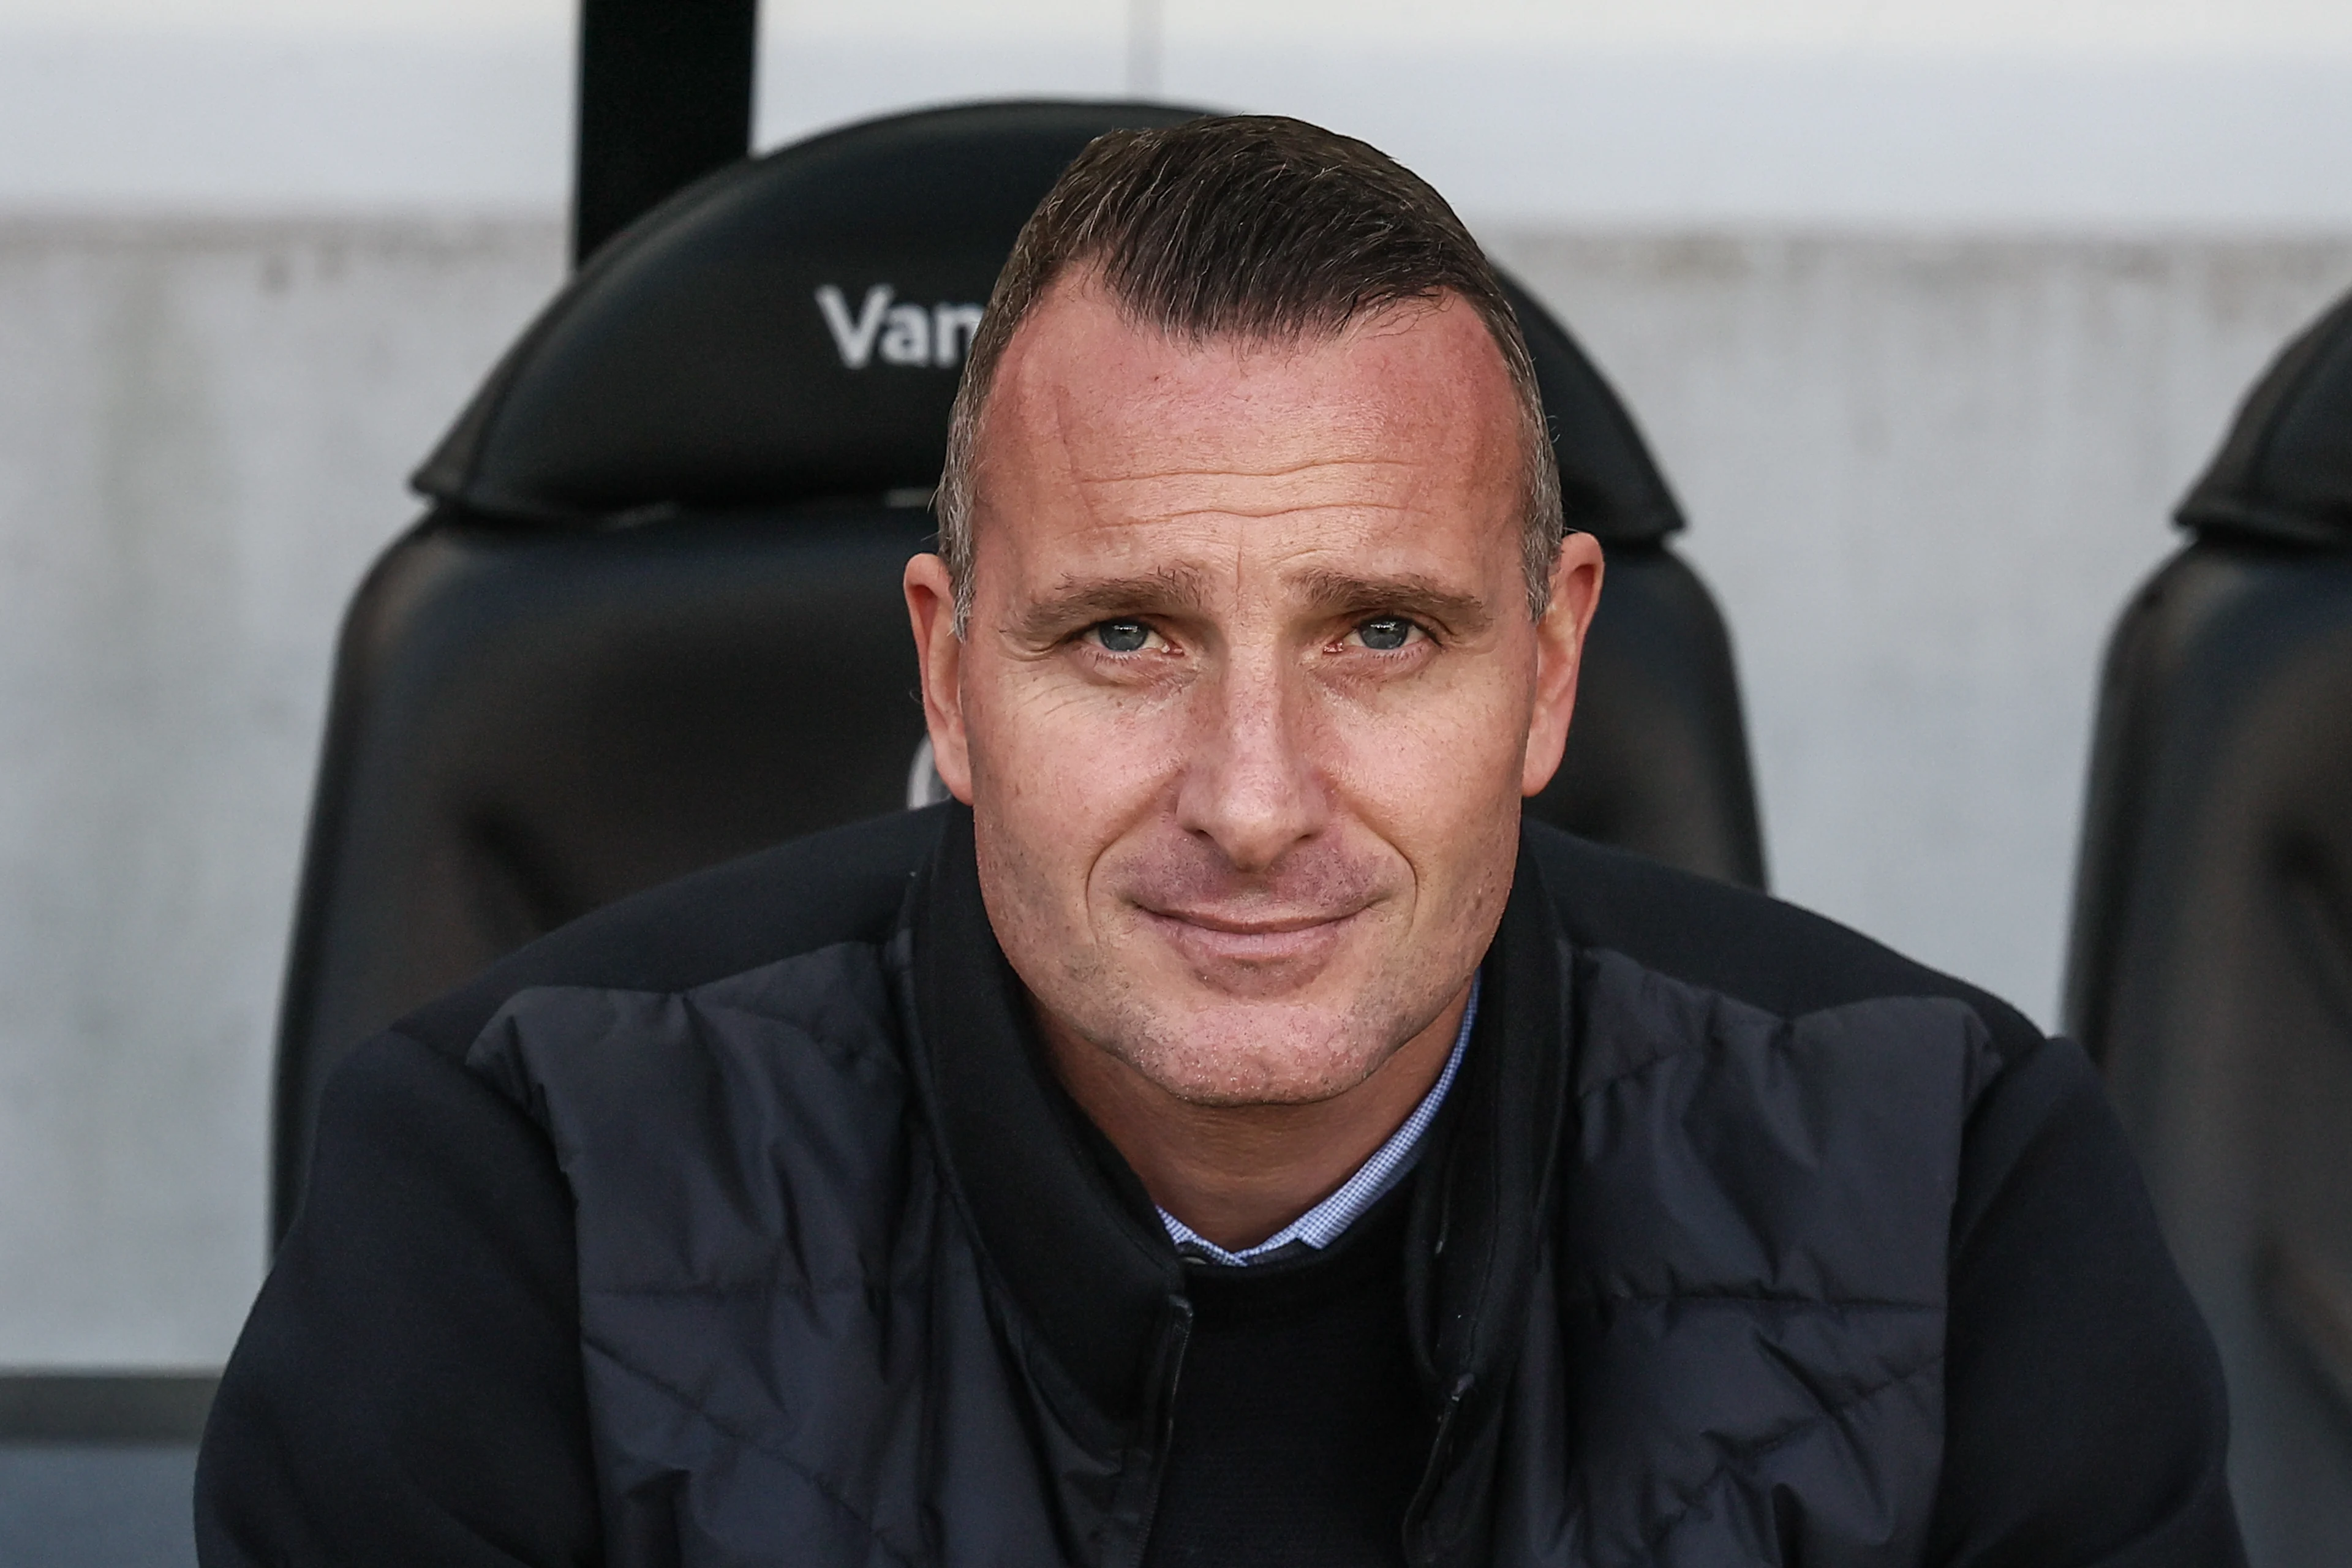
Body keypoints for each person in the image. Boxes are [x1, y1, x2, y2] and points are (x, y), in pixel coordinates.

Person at [196, 116, 2244, 1567]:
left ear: (1546, 674)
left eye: (1380, 632)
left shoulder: (1960, 1200)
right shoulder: (507, 1203)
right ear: (949, 673)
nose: (1252, 800)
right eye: (1122, 634)